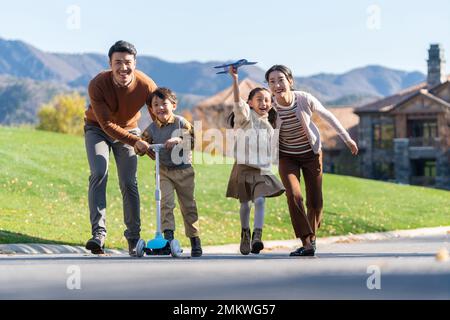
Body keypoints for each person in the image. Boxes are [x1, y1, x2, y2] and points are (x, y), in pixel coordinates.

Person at [265, 65, 358, 257]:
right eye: (272, 81)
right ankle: (306, 242)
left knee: (315, 202)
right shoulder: (270, 107)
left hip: (311, 154)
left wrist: (347, 138)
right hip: (286, 156)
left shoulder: (303, 99)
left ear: (290, 81)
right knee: (294, 196)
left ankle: (312, 238)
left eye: (280, 79)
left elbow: (328, 115)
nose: (277, 85)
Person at [84, 40, 157, 256]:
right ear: (110, 63)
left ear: (135, 63)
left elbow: (158, 117)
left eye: (127, 62)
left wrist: (155, 143)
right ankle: (98, 235)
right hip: (97, 129)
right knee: (99, 172)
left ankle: (133, 238)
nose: (123, 68)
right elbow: (106, 125)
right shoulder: (97, 84)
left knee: (128, 182)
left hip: (130, 129)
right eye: (118, 62)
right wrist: (136, 142)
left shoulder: (146, 85)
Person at [135, 87, 203, 257]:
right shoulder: (151, 128)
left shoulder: (181, 122)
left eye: (163, 104)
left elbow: (193, 139)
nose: (160, 108)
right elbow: (141, 145)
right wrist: (140, 146)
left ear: (173, 105)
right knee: (165, 203)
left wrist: (179, 139)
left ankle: (195, 240)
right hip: (163, 171)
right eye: (155, 105)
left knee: (188, 206)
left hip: (184, 171)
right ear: (151, 109)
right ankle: (168, 239)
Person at [225, 66, 285, 255]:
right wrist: (235, 79)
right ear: (250, 103)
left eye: (267, 100)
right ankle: (245, 233)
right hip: (243, 168)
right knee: (245, 204)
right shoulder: (245, 118)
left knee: (260, 201)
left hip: (262, 170)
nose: (264, 103)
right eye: (259, 100)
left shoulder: (270, 124)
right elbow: (237, 103)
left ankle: (257, 236)